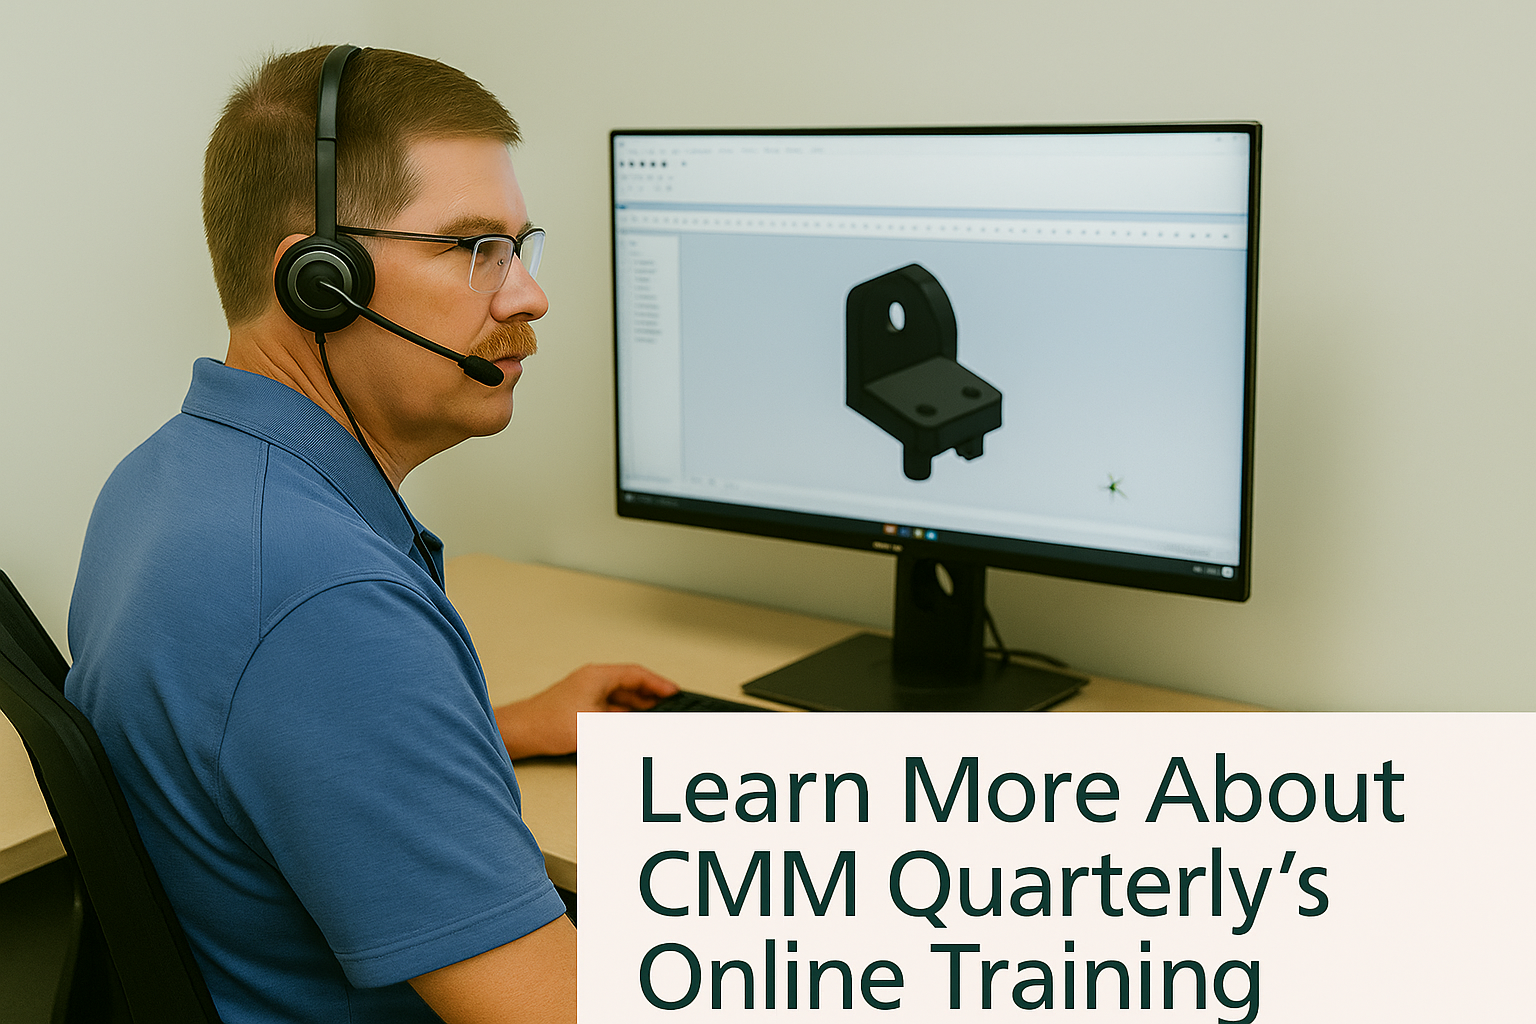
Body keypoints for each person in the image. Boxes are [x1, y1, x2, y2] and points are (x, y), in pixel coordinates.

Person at [64, 45, 675, 1023]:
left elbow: (259, 751)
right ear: (320, 281)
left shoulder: (170, 478)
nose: (527, 295)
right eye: (473, 247)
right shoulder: (324, 601)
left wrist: (503, 727)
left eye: (519, 246)